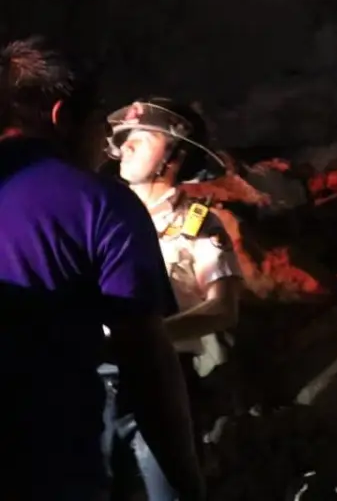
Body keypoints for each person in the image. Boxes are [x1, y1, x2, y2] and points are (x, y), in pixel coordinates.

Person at [0, 38, 203, 500]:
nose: (113, 149)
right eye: (102, 128)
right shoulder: (100, 205)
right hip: (51, 468)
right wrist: (186, 483)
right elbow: (147, 361)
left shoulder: (193, 217)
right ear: (61, 117)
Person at [102, 98, 244, 500]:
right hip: (93, 377)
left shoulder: (196, 224)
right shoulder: (99, 215)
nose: (126, 146)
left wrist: (148, 336)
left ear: (175, 156)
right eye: (125, 138)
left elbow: (223, 308)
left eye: (142, 139)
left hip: (162, 378)